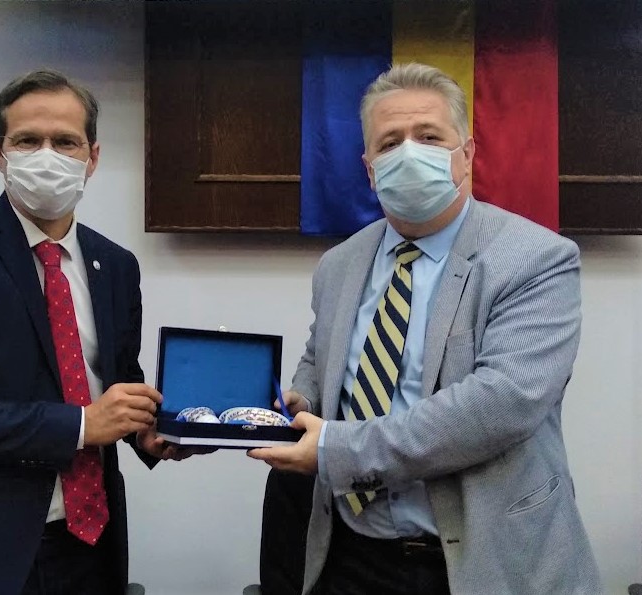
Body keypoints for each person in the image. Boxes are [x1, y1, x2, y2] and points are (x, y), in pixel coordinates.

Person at [249, 63, 602, 594]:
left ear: (468, 153)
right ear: (370, 169)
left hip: (482, 563)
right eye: (390, 143)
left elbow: (499, 405)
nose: (410, 153)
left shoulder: (535, 259)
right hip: (350, 556)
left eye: (430, 137)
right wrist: (297, 402)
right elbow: (321, 362)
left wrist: (336, 448)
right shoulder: (340, 264)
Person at [0, 69, 191, 595]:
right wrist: (82, 425)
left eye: (66, 142)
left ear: (93, 157)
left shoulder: (116, 265)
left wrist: (150, 430)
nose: (47, 156)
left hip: (89, 549)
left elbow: (115, 383)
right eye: (27, 140)